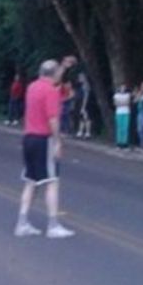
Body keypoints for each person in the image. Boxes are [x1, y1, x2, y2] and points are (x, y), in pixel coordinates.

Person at [14, 60, 75, 239]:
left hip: (29, 137)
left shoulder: (32, 87)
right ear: (54, 74)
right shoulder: (51, 91)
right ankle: (53, 225)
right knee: (52, 181)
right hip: (43, 139)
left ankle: (22, 222)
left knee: (31, 181)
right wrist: (58, 142)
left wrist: (62, 66)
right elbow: (53, 119)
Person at [113, 85, 132, 150]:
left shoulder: (127, 95)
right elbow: (115, 104)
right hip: (118, 113)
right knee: (119, 128)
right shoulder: (116, 95)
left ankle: (125, 144)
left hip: (126, 112)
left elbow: (128, 103)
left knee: (125, 128)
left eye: (124, 88)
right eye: (121, 87)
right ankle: (119, 143)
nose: (123, 89)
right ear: (119, 88)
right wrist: (123, 103)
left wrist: (120, 103)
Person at [75, 73, 92, 139]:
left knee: (86, 118)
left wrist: (84, 106)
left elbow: (86, 96)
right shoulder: (80, 85)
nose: (79, 79)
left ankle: (88, 132)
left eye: (81, 77)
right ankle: (80, 131)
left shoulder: (86, 85)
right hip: (81, 103)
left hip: (85, 104)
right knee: (81, 118)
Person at [133, 84, 143, 151]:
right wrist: (138, 94)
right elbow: (135, 101)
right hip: (140, 112)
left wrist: (138, 94)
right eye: (142, 86)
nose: (142, 87)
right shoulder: (140, 93)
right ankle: (142, 144)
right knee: (140, 129)